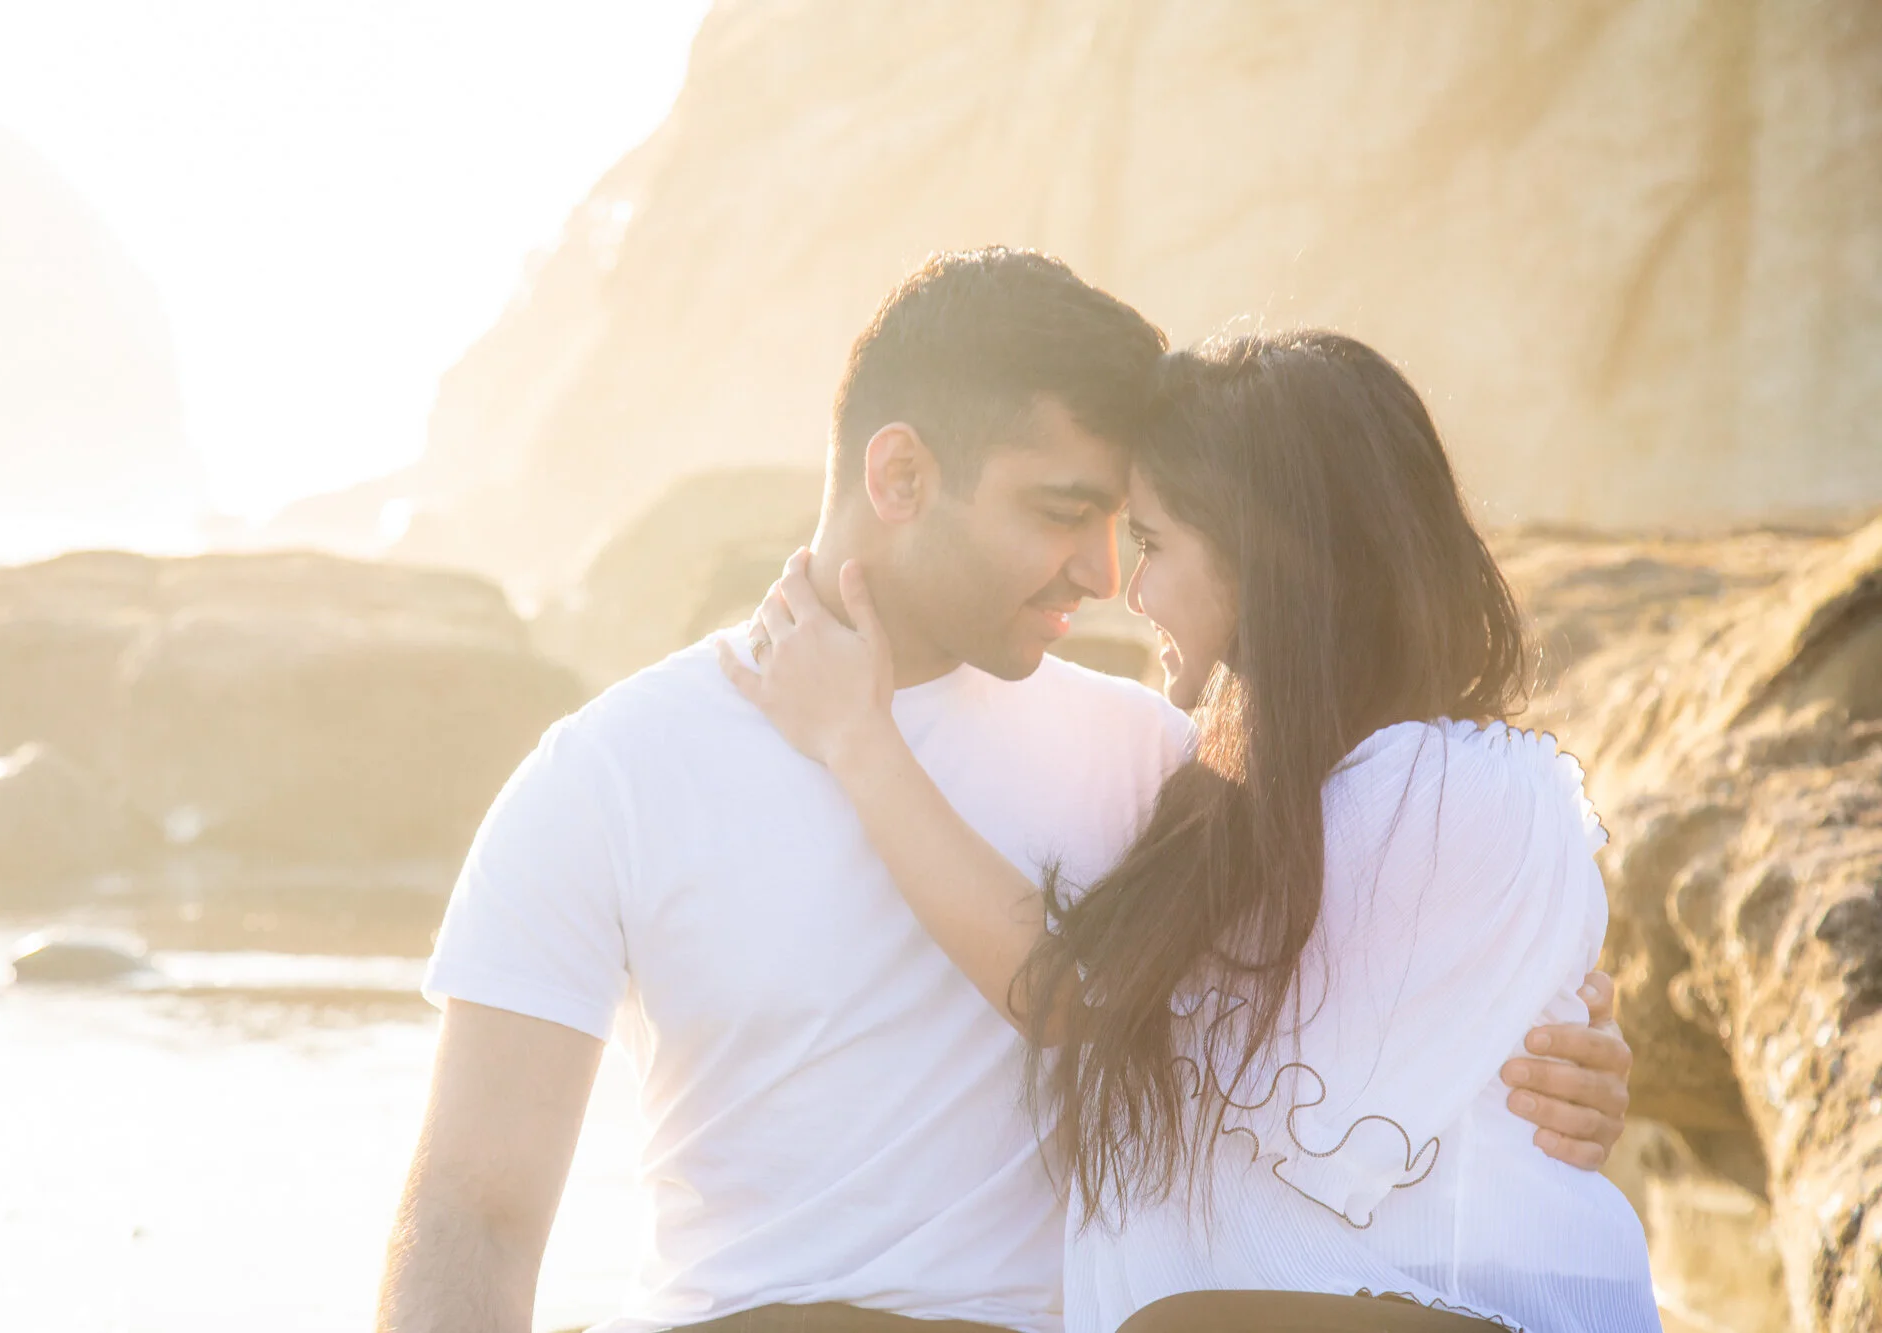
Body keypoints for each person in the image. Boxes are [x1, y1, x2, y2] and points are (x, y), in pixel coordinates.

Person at [377, 253, 1635, 1333]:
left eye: (1128, 527)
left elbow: (1354, 1003)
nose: (1098, 574)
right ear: (901, 477)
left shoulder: (1163, 761)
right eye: (1060, 512)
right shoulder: (610, 772)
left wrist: (1547, 1063)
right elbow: (470, 1210)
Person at [723, 329, 1660, 1332]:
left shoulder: (1446, 788)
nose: (1127, 589)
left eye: (1154, 542)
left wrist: (858, 741)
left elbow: (1071, 993)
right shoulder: (1231, 794)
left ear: (1267, 557)